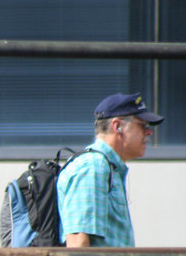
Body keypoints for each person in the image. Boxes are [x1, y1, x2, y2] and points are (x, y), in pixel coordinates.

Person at [57, 92, 164, 247]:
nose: (149, 132)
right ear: (117, 126)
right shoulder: (93, 167)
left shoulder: (106, 167)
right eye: (143, 125)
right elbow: (77, 245)